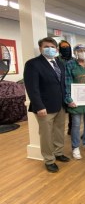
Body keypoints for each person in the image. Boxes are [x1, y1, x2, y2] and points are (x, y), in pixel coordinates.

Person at [23, 37, 70, 173]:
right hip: (44, 107)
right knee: (46, 134)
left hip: (60, 104)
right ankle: (49, 160)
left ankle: (58, 152)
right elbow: (32, 88)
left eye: (52, 47)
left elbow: (62, 84)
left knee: (59, 131)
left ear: (56, 49)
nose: (50, 49)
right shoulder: (33, 64)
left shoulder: (59, 63)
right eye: (46, 46)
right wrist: (39, 106)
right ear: (40, 48)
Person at [58, 40, 74, 135]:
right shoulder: (57, 60)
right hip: (60, 89)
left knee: (72, 111)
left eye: (67, 47)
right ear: (59, 49)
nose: (66, 50)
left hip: (72, 88)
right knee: (60, 111)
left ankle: (71, 128)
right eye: (63, 48)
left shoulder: (74, 60)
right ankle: (59, 132)